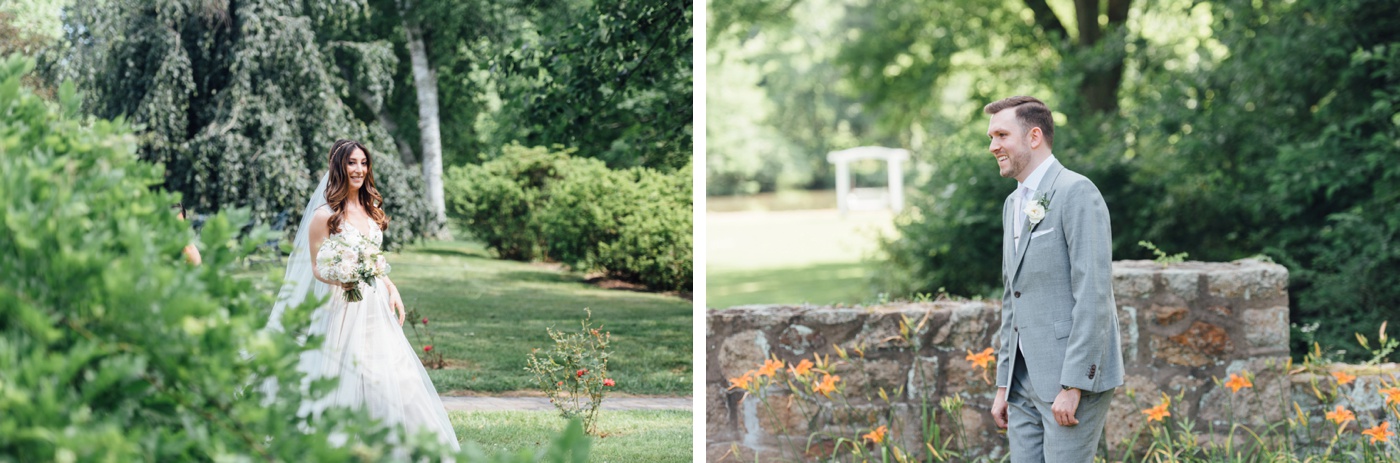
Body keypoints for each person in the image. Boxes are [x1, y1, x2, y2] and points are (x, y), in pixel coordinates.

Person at [265, 139, 460, 451]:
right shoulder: (324, 216)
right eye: (352, 162)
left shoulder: (373, 209)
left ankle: (409, 446)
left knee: (396, 374)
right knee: (348, 374)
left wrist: (391, 288)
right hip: (342, 307)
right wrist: (342, 277)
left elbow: (374, 260)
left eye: (363, 163)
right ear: (338, 167)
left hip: (376, 305)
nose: (358, 169)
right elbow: (316, 267)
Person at [984, 96, 1123, 462]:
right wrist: (1004, 384)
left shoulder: (1076, 192)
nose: (993, 146)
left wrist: (1074, 384)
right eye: (990, 137)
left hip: (1068, 378)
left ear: (1033, 137)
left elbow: (1093, 293)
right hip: (1022, 382)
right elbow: (1013, 297)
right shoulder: (1013, 204)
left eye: (1001, 134)